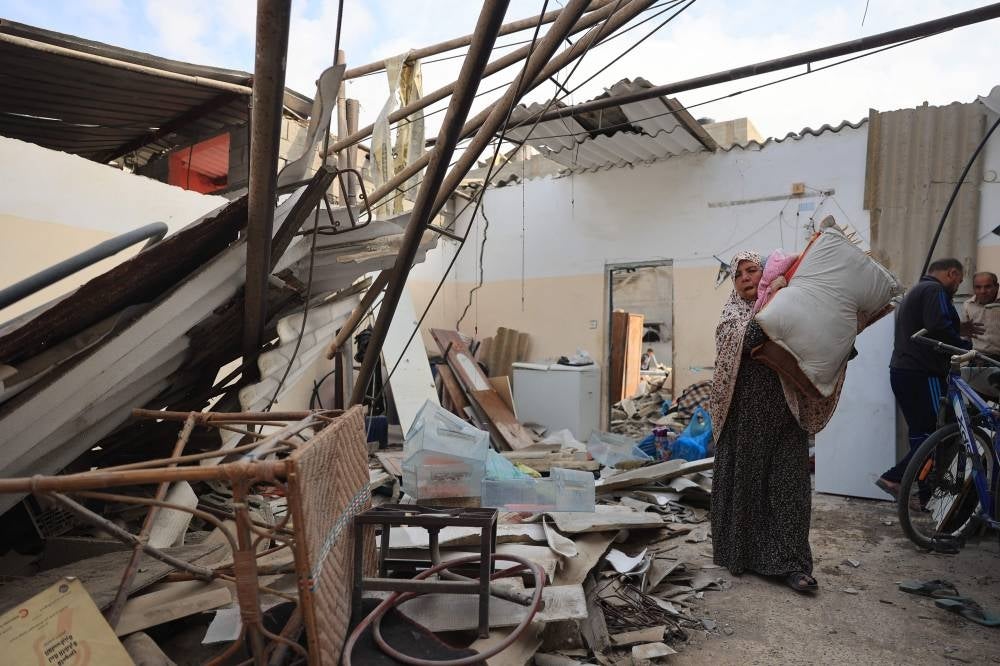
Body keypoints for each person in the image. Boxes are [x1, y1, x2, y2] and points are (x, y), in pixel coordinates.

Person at [709, 251, 844, 594]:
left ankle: (793, 564)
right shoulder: (732, 315)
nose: (744, 277)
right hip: (744, 420)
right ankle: (742, 555)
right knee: (748, 488)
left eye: (752, 270)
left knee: (790, 488)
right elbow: (750, 337)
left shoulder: (789, 302)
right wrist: (775, 301)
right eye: (738, 274)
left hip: (786, 413)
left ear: (766, 272)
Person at [876, 258, 983, 499]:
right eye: (959, 280)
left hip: (903, 371)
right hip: (923, 373)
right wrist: (967, 347)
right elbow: (939, 328)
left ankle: (921, 494)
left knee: (921, 432)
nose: (957, 285)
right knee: (937, 431)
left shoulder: (918, 290)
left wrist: (958, 330)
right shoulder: (935, 290)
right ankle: (896, 478)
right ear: (951, 273)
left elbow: (931, 325)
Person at [964, 271, 1000, 358]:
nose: (983, 291)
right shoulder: (968, 305)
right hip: (978, 359)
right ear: (973, 288)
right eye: (978, 287)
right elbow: (966, 336)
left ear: (997, 287)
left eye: (987, 287)